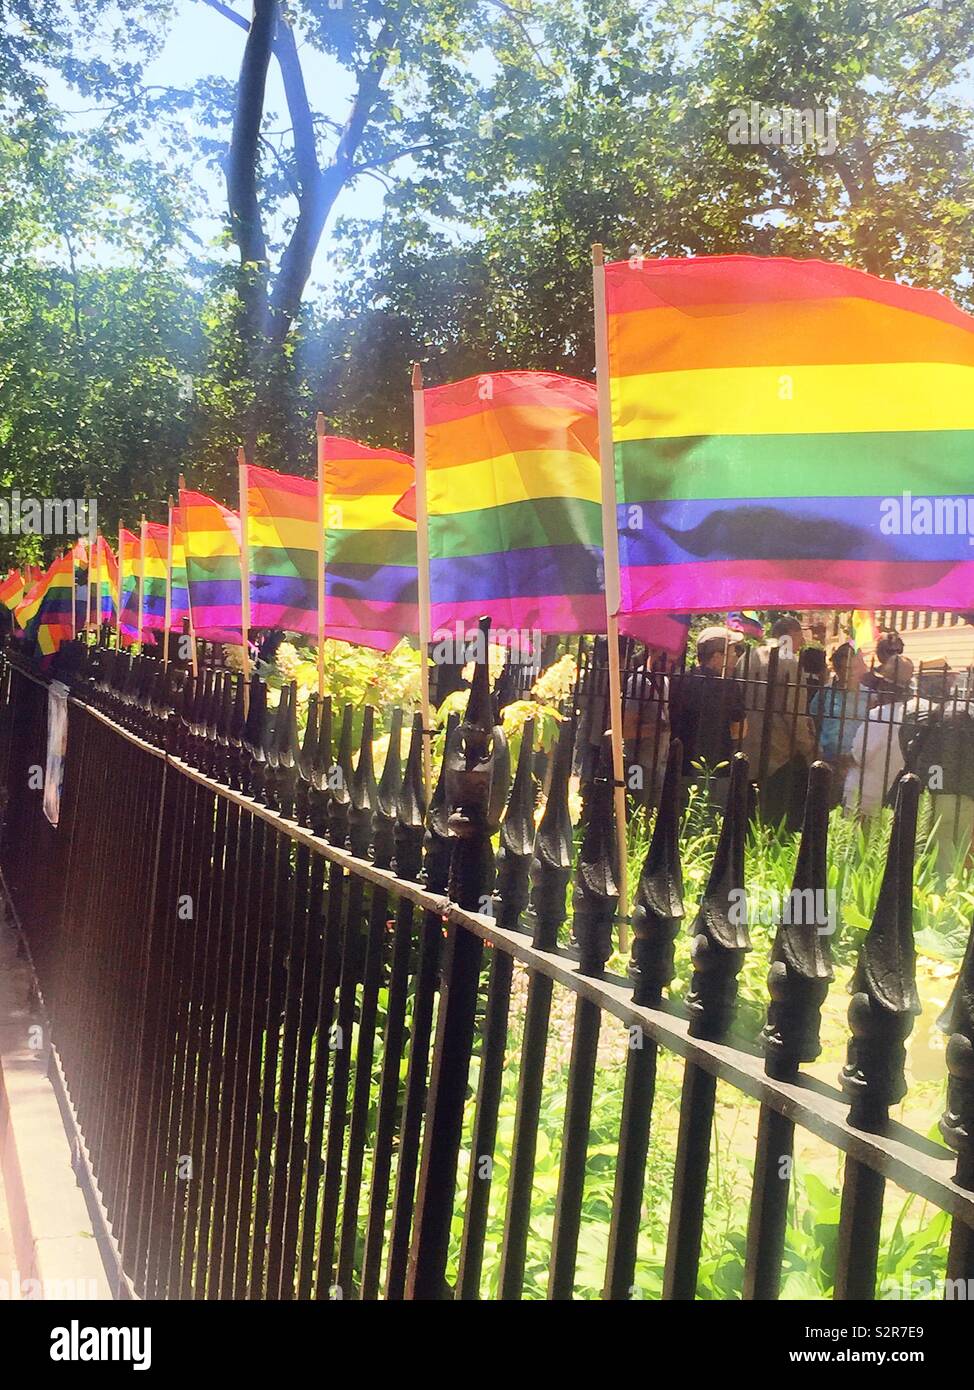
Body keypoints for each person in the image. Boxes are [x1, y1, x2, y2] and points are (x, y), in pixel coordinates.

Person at [736, 616, 816, 831]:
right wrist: (806, 746)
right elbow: (793, 712)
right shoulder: (789, 661)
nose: (802, 644)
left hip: (748, 744)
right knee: (777, 821)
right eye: (800, 637)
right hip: (780, 751)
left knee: (748, 818)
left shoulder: (747, 657)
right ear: (791, 634)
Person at [902, 675, 974, 882]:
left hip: (931, 790)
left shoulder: (932, 713)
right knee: (953, 861)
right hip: (962, 794)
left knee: (930, 850)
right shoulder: (968, 715)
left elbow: (909, 747)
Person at [844, 656, 931, 817]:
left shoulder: (878, 715)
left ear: (884, 685)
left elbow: (859, 755)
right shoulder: (919, 713)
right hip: (897, 799)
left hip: (865, 798)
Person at [670, 626, 746, 808]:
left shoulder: (680, 680)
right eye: (732, 651)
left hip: (681, 762)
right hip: (717, 766)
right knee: (710, 819)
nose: (736, 656)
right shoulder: (729, 687)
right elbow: (739, 730)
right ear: (716, 656)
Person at [809, 641, 870, 803]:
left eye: (853, 668)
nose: (849, 673)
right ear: (836, 669)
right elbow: (811, 723)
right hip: (828, 760)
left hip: (857, 763)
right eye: (843, 668)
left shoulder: (870, 697)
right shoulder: (824, 694)